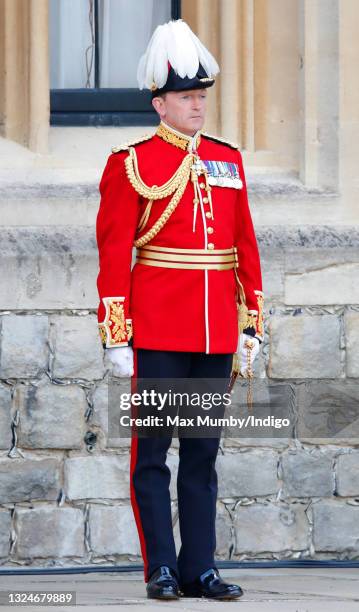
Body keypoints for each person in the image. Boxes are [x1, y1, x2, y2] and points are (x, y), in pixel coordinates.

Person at [96, 18, 264, 601]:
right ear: (160, 104)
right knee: (152, 458)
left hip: (216, 331)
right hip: (160, 331)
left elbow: (245, 246)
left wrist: (251, 325)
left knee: (202, 459)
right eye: (187, 98)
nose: (198, 106)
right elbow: (115, 250)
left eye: (201, 96)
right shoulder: (130, 163)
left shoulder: (227, 160)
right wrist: (117, 334)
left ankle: (201, 567)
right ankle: (161, 568)